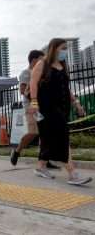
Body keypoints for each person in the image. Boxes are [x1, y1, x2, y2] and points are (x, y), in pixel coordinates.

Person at [29, 38, 92, 185]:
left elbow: (66, 87)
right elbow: (33, 82)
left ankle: (40, 167)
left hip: (62, 107)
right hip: (47, 107)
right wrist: (34, 102)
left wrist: (76, 103)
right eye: (63, 48)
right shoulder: (43, 63)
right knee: (63, 136)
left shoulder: (62, 65)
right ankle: (73, 174)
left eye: (66, 48)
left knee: (48, 138)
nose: (66, 51)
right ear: (54, 48)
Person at [10, 50, 60, 169]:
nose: (43, 61)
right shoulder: (26, 73)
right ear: (34, 60)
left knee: (46, 133)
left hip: (43, 107)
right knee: (34, 132)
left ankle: (45, 160)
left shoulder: (41, 72)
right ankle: (16, 151)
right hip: (31, 107)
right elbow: (23, 91)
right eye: (41, 59)